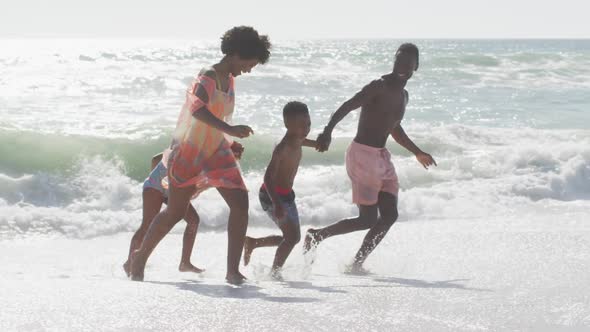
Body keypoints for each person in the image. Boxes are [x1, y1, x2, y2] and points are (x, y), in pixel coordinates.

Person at [129, 26, 271, 284]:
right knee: (174, 212)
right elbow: (197, 109)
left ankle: (232, 271)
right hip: (189, 152)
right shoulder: (208, 75)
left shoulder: (230, 80)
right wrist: (229, 129)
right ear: (237, 53)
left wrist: (228, 142)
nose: (250, 69)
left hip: (215, 151)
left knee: (240, 203)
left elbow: (217, 116)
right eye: (250, 63)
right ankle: (139, 260)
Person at [304, 43, 437, 274]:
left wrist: (417, 151)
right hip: (362, 155)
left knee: (390, 215)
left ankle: (356, 263)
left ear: (416, 66)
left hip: (381, 158)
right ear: (393, 62)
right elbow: (349, 105)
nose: (403, 66)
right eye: (399, 61)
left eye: (408, 62)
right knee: (366, 219)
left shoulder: (404, 96)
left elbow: (394, 128)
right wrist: (328, 131)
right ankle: (316, 236)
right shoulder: (379, 86)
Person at [242, 102, 317, 280]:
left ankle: (253, 242)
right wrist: (276, 204)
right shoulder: (282, 148)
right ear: (288, 126)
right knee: (291, 238)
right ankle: (275, 272)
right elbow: (267, 178)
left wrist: (317, 143)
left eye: (308, 124)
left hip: (286, 195)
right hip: (271, 195)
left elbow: (303, 141)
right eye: (301, 125)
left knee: (292, 237)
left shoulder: (297, 139)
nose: (306, 129)